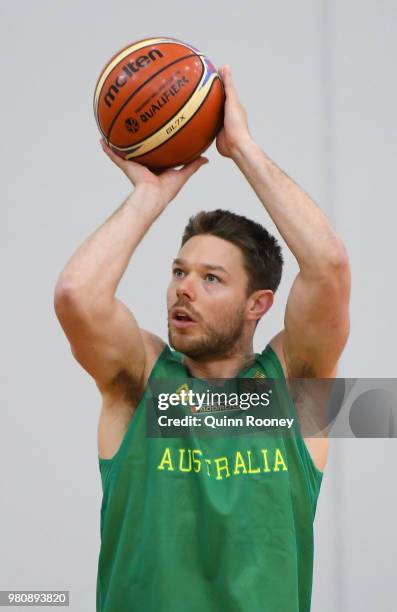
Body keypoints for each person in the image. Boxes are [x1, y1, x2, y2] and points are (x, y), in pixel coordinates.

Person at [54, 65, 351, 612]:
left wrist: (241, 148)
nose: (183, 290)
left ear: (257, 304)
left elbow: (328, 266)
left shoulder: (295, 388)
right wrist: (149, 196)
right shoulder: (139, 383)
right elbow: (77, 295)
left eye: (211, 278)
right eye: (178, 272)